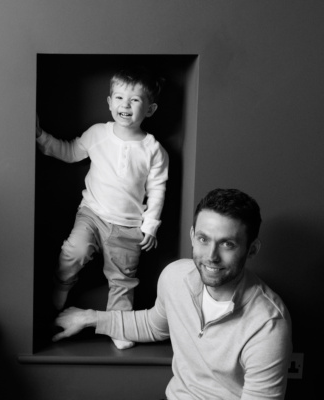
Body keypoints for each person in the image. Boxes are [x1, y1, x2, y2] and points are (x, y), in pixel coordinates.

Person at [53, 188, 292, 399]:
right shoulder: (175, 276)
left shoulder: (268, 323)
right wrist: (89, 318)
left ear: (252, 250)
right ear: (192, 236)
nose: (211, 255)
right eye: (203, 239)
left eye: (227, 244)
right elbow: (153, 325)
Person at [36, 66, 169, 349]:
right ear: (109, 103)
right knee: (74, 251)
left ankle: (119, 326)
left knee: (123, 280)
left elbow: (157, 189)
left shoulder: (154, 150)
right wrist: (41, 138)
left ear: (150, 109)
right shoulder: (98, 133)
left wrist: (150, 225)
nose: (125, 105)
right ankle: (61, 285)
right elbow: (70, 151)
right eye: (119, 98)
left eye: (134, 100)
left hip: (128, 225)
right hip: (92, 214)